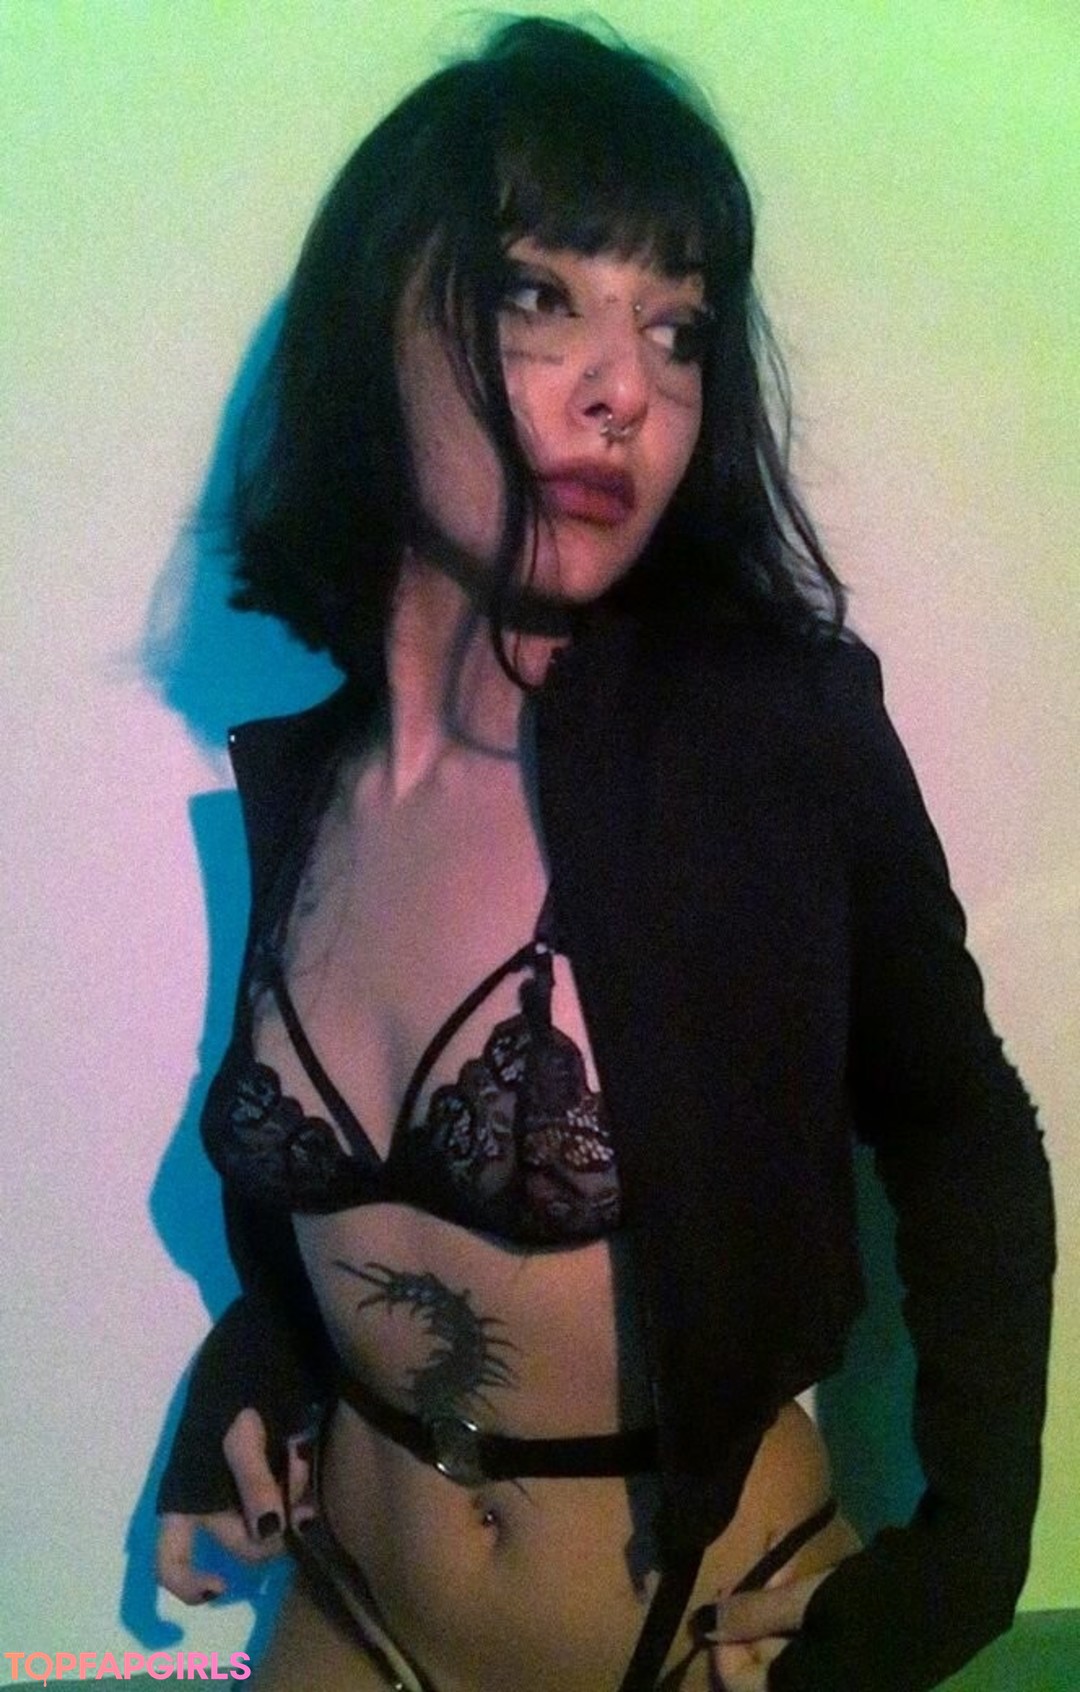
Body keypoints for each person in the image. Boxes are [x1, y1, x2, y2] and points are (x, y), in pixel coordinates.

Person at [153, 17, 1054, 1692]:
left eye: (678, 328)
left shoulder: (766, 740)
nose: (626, 387)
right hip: (349, 1599)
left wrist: (970, 1554)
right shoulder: (308, 783)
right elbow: (340, 1222)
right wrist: (251, 1381)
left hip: (687, 1623)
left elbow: (960, 1126)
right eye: (537, 294)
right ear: (374, 326)